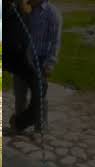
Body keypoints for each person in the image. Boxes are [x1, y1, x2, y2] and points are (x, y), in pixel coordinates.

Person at [6, 0, 62, 134]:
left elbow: (55, 42)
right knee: (20, 93)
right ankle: (18, 127)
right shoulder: (26, 10)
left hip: (40, 63)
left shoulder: (52, 14)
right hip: (23, 60)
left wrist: (50, 63)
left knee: (40, 96)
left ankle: (40, 127)